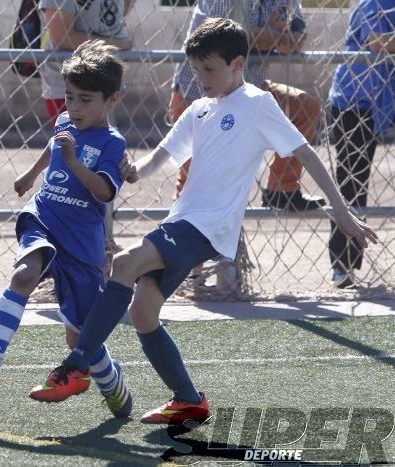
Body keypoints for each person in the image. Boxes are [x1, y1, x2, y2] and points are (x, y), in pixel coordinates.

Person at [28, 18, 378, 424]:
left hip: (208, 227)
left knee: (123, 263)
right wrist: (133, 169)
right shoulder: (199, 110)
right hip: (186, 222)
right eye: (196, 70)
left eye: (210, 69)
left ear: (238, 63)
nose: (202, 78)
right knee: (143, 314)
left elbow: (305, 154)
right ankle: (188, 399)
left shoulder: (257, 103)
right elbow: (163, 155)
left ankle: (76, 366)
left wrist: (341, 210)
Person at [0, 40, 133, 418]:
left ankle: (112, 382)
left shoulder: (112, 143)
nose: (74, 107)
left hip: (81, 241)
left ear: (112, 99)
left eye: (85, 99)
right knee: (23, 276)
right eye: (69, 97)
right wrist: (32, 173)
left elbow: (103, 192)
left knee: (81, 334)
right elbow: (55, 143)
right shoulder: (65, 122)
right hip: (44, 217)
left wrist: (73, 162)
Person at [170, 0, 325, 212]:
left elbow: (298, 39)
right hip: (199, 92)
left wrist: (263, 35)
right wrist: (275, 36)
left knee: (304, 107)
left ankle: (282, 190)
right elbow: (224, 43)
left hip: (249, 89)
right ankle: (179, 231)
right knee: (195, 188)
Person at [328, 0, 394, 289]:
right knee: (351, 183)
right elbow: (378, 43)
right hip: (355, 102)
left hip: (383, 101)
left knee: (354, 182)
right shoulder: (377, 3)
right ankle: (343, 265)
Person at [38, 0, 134, 122]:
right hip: (70, 86)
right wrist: (117, 45)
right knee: (76, 140)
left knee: (106, 139)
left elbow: (114, 15)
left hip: (108, 80)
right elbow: (62, 37)